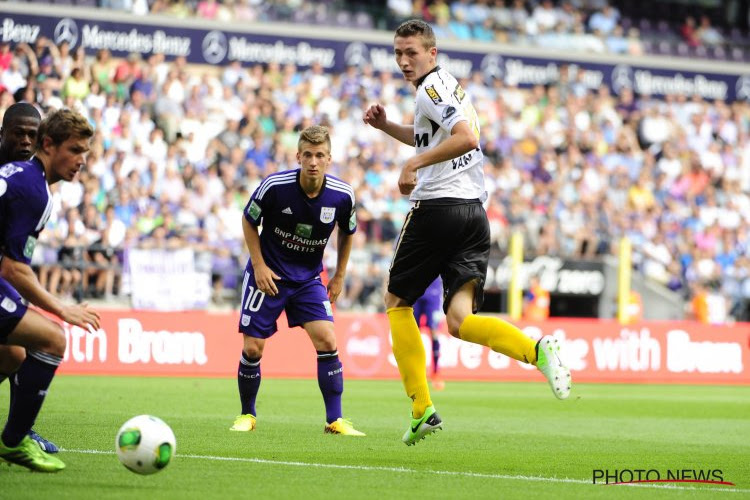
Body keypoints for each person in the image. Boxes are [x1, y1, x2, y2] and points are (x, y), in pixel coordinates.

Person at [363, 19, 571, 446]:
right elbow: (432, 140)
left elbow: (466, 138)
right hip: (474, 216)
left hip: (437, 210)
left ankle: (421, 407)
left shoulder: (429, 88)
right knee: (459, 321)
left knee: (396, 300)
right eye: (398, 53)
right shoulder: (445, 87)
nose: (404, 61)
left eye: (412, 53)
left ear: (432, 53)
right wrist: (388, 128)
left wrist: (412, 166)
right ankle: (538, 352)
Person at [230, 125, 364, 436]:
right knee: (253, 348)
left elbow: (348, 232)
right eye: (307, 155)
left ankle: (335, 420)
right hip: (270, 275)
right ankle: (247, 415)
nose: (313, 161)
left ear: (329, 159)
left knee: (328, 340)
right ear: (298, 156)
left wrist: (340, 274)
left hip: (307, 279)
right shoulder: (275, 186)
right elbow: (249, 221)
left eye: (319, 155)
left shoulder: (343, 196)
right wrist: (259, 265)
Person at [0, 108, 100, 471]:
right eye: (74, 151)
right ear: (48, 144)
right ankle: (14, 441)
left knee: (12, 355)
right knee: (53, 339)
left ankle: (17, 433)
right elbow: (13, 268)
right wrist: (63, 309)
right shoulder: (33, 190)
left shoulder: (24, 177)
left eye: (85, 154)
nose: (80, 162)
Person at [0, 103, 60, 454]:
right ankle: (18, 435)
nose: (25, 140)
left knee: (12, 357)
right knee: (46, 341)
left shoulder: (32, 181)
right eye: (18, 133)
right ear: (3, 135)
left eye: (32, 135)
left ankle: (21, 428)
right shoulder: (18, 179)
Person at [413, 277, 444, 390]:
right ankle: (414, 372)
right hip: (415, 290)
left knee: (434, 331)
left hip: (434, 293)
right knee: (413, 332)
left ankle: (436, 372)